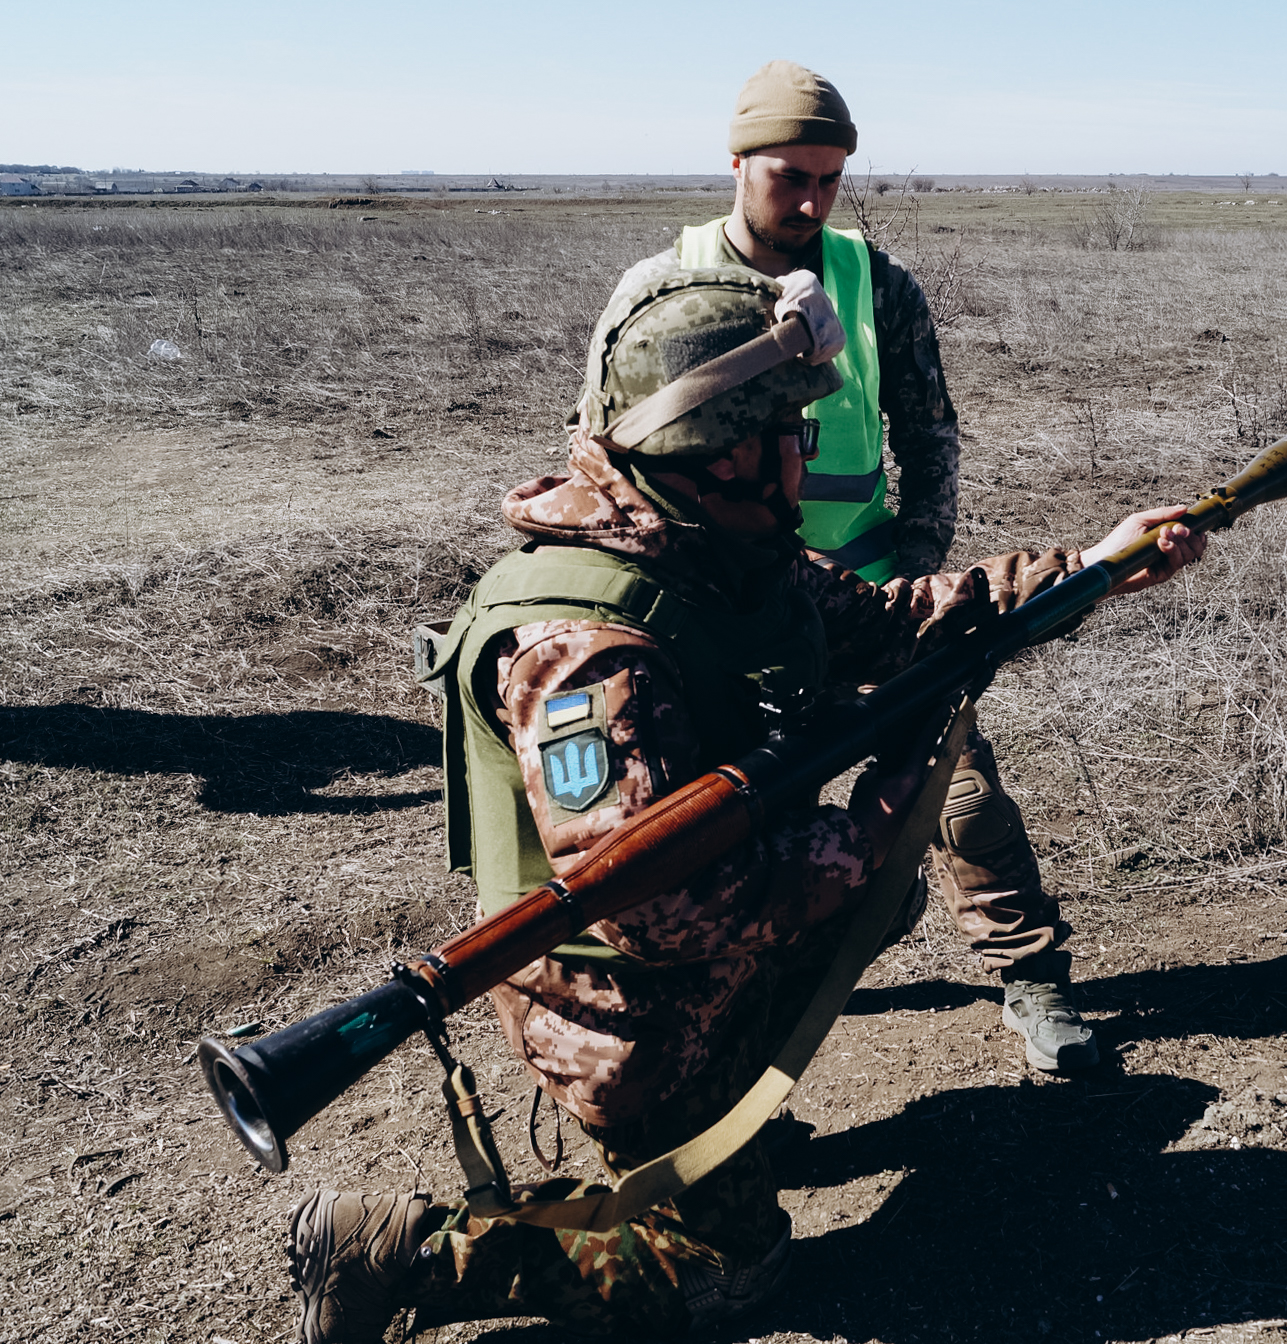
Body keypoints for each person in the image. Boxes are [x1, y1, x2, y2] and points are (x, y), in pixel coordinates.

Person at [289, 269, 1205, 1340]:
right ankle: (397, 1246)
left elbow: (889, 624)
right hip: (615, 1003)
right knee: (728, 1276)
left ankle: (721, 1109)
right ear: (726, 452)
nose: (808, 456)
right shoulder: (586, 649)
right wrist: (863, 832)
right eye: (795, 433)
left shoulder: (715, 548)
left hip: (698, 942)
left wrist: (1092, 569)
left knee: (877, 901)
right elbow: (657, 908)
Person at [608, 59, 1101, 1075]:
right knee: (718, 836)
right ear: (735, 162)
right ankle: (740, 1025)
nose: (811, 199)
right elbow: (609, 455)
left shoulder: (878, 285)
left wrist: (913, 575)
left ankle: (1030, 975)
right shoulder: (661, 293)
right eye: (790, 174)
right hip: (725, 619)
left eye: (830, 179)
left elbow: (931, 442)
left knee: (955, 790)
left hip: (870, 599)